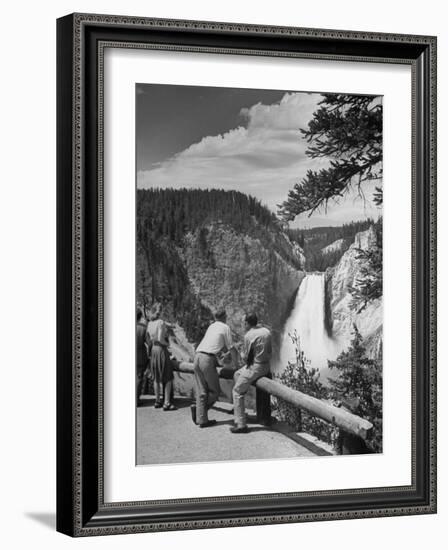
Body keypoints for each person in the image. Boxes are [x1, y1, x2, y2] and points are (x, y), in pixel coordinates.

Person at [191, 310, 239, 428]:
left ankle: (202, 419)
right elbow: (231, 348)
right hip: (207, 359)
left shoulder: (211, 326)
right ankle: (199, 411)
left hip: (197, 356)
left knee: (202, 390)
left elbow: (212, 344)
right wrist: (236, 365)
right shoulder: (225, 327)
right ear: (224, 317)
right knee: (215, 391)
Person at [230, 312, 272, 434]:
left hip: (255, 367)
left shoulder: (249, 336)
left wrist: (239, 350)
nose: (242, 324)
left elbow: (245, 358)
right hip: (266, 365)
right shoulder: (266, 331)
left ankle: (241, 424)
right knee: (237, 374)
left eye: (243, 322)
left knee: (237, 391)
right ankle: (240, 408)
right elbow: (269, 350)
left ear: (247, 323)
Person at [146, 306, 177, 411]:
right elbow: (160, 339)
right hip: (161, 350)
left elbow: (150, 340)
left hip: (153, 350)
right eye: (160, 311)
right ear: (158, 312)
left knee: (156, 377)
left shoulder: (150, 324)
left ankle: (157, 401)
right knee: (168, 377)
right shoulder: (160, 322)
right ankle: (167, 403)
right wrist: (167, 343)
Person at [136, 308, 148, 406]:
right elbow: (149, 342)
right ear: (140, 317)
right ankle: (136, 399)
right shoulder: (143, 328)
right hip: (140, 355)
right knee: (139, 377)